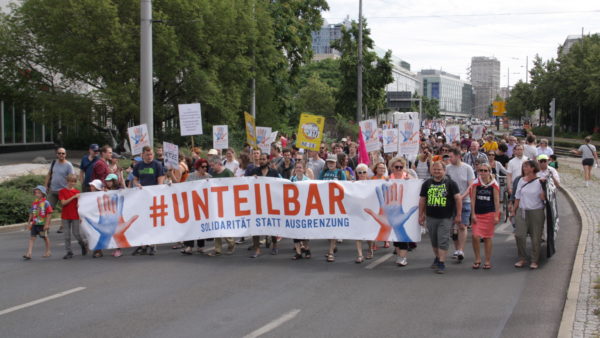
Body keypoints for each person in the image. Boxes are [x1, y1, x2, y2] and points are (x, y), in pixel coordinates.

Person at [418, 161, 462, 274]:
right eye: (435, 169)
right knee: (434, 241)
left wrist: (458, 215)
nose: (437, 171)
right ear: (431, 171)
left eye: (439, 169)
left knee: (443, 240)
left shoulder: (451, 183)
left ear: (444, 170)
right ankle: (437, 257)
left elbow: (458, 199)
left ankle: (441, 262)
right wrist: (421, 215)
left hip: (445, 217)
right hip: (431, 217)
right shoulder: (427, 183)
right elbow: (422, 200)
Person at [131, 146, 165, 256]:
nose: (150, 156)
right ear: (142, 155)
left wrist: (156, 191)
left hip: (153, 197)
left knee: (152, 220)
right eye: (147, 154)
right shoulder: (138, 166)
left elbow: (160, 180)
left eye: (151, 154)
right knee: (142, 220)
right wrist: (137, 184)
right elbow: (135, 179)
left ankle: (153, 244)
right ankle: (143, 245)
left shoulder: (157, 165)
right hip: (142, 196)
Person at [512, 160, 546, 270]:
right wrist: (513, 210)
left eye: (526, 166)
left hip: (536, 212)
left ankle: (534, 260)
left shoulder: (540, 181)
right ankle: (522, 258)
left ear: (532, 168)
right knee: (519, 235)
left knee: (536, 237)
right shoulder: (521, 181)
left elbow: (544, 198)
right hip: (522, 211)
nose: (523, 168)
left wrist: (544, 186)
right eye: (523, 166)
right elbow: (517, 197)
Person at [445, 147, 475, 263]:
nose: (449, 159)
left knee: (462, 225)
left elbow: (471, 185)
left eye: (451, 156)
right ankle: (456, 249)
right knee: (453, 227)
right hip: (451, 201)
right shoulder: (447, 168)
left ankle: (461, 250)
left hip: (465, 200)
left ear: (458, 156)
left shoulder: (467, 168)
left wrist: (462, 197)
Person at [249, 153, 281, 258]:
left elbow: (279, 185)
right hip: (257, 202)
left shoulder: (274, 173)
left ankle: (275, 245)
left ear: (268, 160)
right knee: (255, 225)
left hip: (270, 203)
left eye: (263, 159)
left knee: (271, 224)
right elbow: (246, 185)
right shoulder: (254, 172)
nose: (261, 161)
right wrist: (251, 179)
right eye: (260, 159)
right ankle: (257, 249)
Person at [470, 163, 500, 270]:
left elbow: (497, 201)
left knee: (487, 238)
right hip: (477, 214)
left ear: (489, 172)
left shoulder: (494, 184)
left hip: (489, 214)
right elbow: (472, 199)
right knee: (475, 236)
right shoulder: (476, 183)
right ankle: (477, 259)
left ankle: (487, 260)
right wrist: (472, 214)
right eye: (481, 170)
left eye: (485, 170)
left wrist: (496, 215)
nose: (483, 173)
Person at [388, 157, 417, 266]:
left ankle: (403, 257)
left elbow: (417, 186)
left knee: (403, 234)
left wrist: (410, 180)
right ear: (392, 168)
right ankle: (399, 255)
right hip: (392, 210)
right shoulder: (388, 178)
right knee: (395, 235)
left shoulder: (408, 177)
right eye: (397, 167)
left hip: (405, 209)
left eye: (401, 167)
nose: (399, 169)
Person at [206, 156, 236, 256]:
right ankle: (217, 249)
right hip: (216, 203)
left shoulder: (227, 173)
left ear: (219, 164)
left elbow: (234, 186)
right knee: (216, 225)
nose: (211, 168)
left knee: (224, 224)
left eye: (213, 165)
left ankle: (231, 243)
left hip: (226, 203)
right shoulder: (213, 174)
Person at [320, 154, 347, 262]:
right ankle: (333, 246)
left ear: (336, 163)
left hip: (336, 204)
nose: (330, 164)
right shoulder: (323, 173)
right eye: (329, 162)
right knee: (326, 228)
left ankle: (331, 252)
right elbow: (318, 185)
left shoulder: (341, 173)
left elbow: (345, 187)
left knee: (333, 227)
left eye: (332, 162)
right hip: (325, 203)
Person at [44, 148, 75, 231]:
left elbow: (72, 177)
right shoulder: (54, 163)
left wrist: (70, 189)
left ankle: (62, 226)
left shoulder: (68, 165)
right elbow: (49, 174)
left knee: (64, 209)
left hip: (63, 190)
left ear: (65, 154)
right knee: (49, 209)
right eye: (59, 153)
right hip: (53, 189)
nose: (61, 155)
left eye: (63, 153)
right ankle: (46, 226)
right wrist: (45, 186)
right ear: (57, 154)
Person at [59, 174, 87, 259]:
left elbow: (80, 206)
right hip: (65, 216)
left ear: (75, 182)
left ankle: (83, 244)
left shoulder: (77, 192)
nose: (71, 183)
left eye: (73, 181)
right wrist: (73, 197)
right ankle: (69, 252)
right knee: (67, 236)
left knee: (76, 234)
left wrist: (80, 216)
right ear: (67, 181)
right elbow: (63, 203)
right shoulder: (62, 191)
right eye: (70, 181)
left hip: (75, 215)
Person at [23, 185, 53, 260]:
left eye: (39, 193)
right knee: (32, 238)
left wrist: (47, 224)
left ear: (43, 194)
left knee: (45, 237)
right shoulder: (34, 203)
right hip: (34, 224)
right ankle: (29, 253)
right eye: (36, 193)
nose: (37, 194)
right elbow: (31, 213)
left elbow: (49, 213)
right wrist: (29, 222)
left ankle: (48, 251)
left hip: (42, 224)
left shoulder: (46, 203)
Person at [290, 161, 312, 260]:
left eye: (300, 167)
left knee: (305, 230)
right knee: (295, 230)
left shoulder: (308, 180)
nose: (298, 169)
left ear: (303, 169)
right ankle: (298, 252)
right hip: (294, 208)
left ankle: (307, 249)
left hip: (304, 208)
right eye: (297, 167)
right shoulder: (291, 180)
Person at [354, 164, 374, 263]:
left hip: (368, 212)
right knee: (358, 234)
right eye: (360, 172)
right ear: (357, 174)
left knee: (368, 234)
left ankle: (370, 249)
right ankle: (360, 255)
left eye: (364, 172)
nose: (362, 174)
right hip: (357, 212)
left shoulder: (371, 183)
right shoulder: (353, 184)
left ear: (367, 173)